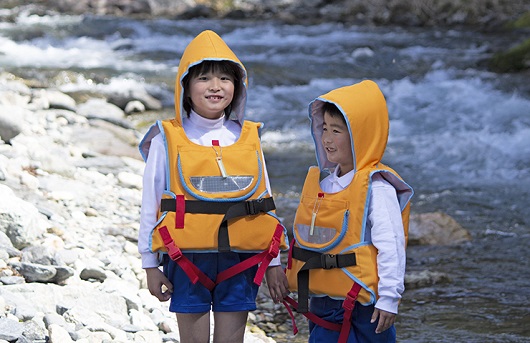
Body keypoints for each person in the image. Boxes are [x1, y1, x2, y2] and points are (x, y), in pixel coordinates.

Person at [138, 30, 289, 343]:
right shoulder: (166, 138)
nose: (216, 86)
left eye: (225, 78)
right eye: (204, 78)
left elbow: (265, 200)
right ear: (186, 87)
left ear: (238, 86)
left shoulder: (248, 137)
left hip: (241, 258)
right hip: (185, 257)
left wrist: (274, 261)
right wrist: (150, 264)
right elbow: (150, 202)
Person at [285, 80, 414, 342]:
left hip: (365, 306)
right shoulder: (323, 185)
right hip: (323, 300)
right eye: (324, 129)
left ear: (361, 136)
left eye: (337, 131)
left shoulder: (377, 188)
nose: (327, 139)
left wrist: (389, 297)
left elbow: (391, 245)